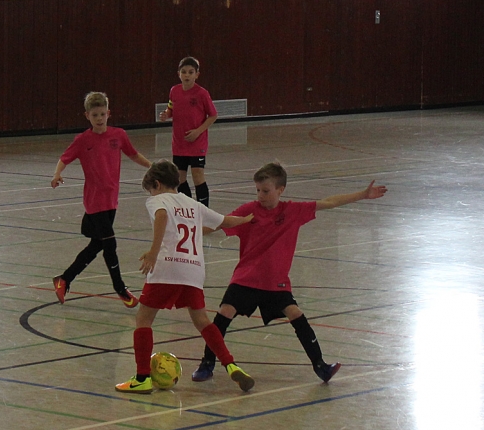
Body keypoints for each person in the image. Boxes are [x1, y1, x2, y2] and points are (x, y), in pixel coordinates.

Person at [190, 162, 388, 383]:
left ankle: (321, 366)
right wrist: (188, 230)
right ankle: (207, 363)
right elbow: (219, 224)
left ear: (280, 190)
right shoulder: (248, 211)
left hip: (276, 283)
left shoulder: (292, 211)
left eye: (266, 191)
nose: (260, 195)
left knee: (295, 313)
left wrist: (363, 194)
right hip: (246, 278)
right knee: (225, 312)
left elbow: (329, 202)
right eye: (258, 190)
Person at [116, 160, 256, 393]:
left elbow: (162, 216)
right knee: (202, 321)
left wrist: (153, 252)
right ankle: (231, 365)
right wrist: (246, 220)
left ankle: (142, 378)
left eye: (151, 189)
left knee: (143, 320)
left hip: (167, 268)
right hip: (193, 270)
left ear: (157, 184)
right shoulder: (193, 204)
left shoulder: (158, 201)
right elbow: (224, 221)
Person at [51, 92, 152, 307]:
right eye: (95, 115)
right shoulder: (82, 140)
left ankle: (64, 279)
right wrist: (57, 173)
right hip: (94, 201)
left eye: (102, 114)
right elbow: (64, 158)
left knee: (97, 245)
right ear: (87, 115)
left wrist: (152, 167)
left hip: (111, 199)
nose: (99, 118)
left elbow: (133, 154)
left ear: (109, 113)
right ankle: (120, 288)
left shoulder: (119, 135)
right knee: (110, 244)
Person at [158, 56, 217, 207]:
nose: (187, 75)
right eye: (184, 72)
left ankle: (203, 210)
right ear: (179, 74)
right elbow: (171, 108)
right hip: (179, 143)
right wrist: (166, 114)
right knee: (180, 179)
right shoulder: (174, 91)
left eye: (191, 72)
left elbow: (213, 115)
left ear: (197, 74)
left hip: (197, 143)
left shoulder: (202, 93)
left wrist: (198, 131)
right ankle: (189, 208)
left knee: (197, 176)